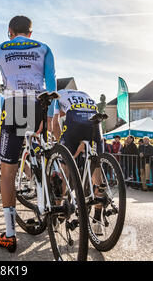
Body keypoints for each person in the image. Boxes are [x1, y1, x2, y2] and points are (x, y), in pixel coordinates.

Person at [0, 15, 56, 252]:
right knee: (42, 157)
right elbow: (52, 83)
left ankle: (9, 233)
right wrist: (49, 115)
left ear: (10, 31)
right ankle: (50, 199)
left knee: (8, 171)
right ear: (30, 32)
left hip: (14, 105)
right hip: (39, 103)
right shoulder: (43, 48)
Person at [52, 89, 104, 235]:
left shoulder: (58, 95)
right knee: (96, 173)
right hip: (95, 122)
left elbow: (55, 124)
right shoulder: (86, 95)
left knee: (64, 170)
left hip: (75, 122)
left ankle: (57, 214)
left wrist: (60, 145)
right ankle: (98, 222)